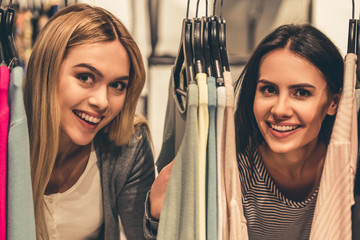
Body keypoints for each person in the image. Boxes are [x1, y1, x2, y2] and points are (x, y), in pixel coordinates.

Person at [145, 24, 345, 239]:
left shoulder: (347, 172)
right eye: (269, 90)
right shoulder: (229, 170)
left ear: (333, 102)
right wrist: (158, 219)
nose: (280, 110)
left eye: (301, 93)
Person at [23, 4, 155, 240]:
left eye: (117, 85)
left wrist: (155, 217)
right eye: (85, 77)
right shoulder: (8, 138)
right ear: (47, 71)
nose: (102, 102)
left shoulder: (128, 144)